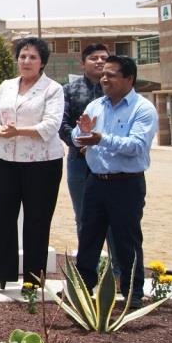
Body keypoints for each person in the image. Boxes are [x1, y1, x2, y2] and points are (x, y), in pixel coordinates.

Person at [0, 37, 64, 290]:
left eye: (33, 57)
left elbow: (50, 126)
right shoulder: (7, 86)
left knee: (37, 219)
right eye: (22, 56)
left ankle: (33, 280)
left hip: (42, 163)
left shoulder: (53, 89)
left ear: (42, 62)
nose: (26, 61)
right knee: (2, 216)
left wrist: (19, 131)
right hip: (6, 159)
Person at [72, 55, 158, 306]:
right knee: (88, 238)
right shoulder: (95, 106)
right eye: (103, 75)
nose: (104, 79)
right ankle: (83, 289)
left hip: (126, 184)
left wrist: (100, 138)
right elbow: (78, 137)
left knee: (126, 240)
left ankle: (132, 293)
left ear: (129, 79)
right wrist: (83, 133)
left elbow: (137, 146)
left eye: (111, 75)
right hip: (96, 181)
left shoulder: (143, 109)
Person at [60, 44, 120, 276]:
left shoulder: (117, 91)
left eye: (104, 58)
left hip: (111, 162)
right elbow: (62, 124)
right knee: (84, 218)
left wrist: (99, 144)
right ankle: (88, 274)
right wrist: (80, 143)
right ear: (82, 63)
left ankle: (119, 273)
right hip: (79, 162)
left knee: (114, 219)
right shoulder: (69, 90)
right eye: (93, 58)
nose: (99, 61)